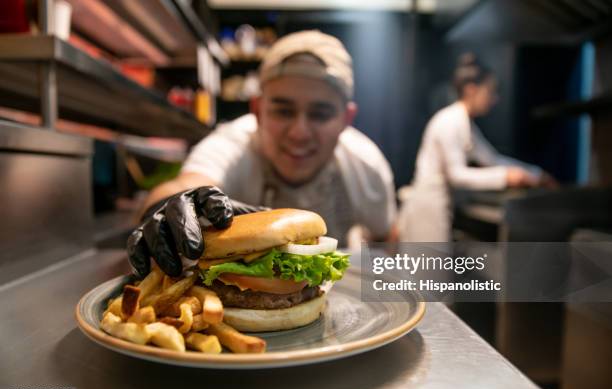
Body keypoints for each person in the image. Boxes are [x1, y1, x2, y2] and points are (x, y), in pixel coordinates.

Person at [127, 30, 396, 278]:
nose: (299, 133)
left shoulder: (366, 164)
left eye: (321, 114)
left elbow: (387, 238)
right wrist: (163, 208)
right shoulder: (233, 144)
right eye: (283, 111)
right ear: (257, 110)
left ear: (346, 120)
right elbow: (185, 184)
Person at [398, 53, 555, 242]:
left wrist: (535, 174)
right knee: (427, 270)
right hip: (427, 209)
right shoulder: (450, 121)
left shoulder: (466, 124)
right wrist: (505, 177)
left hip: (438, 207)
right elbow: (456, 175)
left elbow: (492, 159)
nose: (494, 98)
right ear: (471, 90)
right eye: (490, 91)